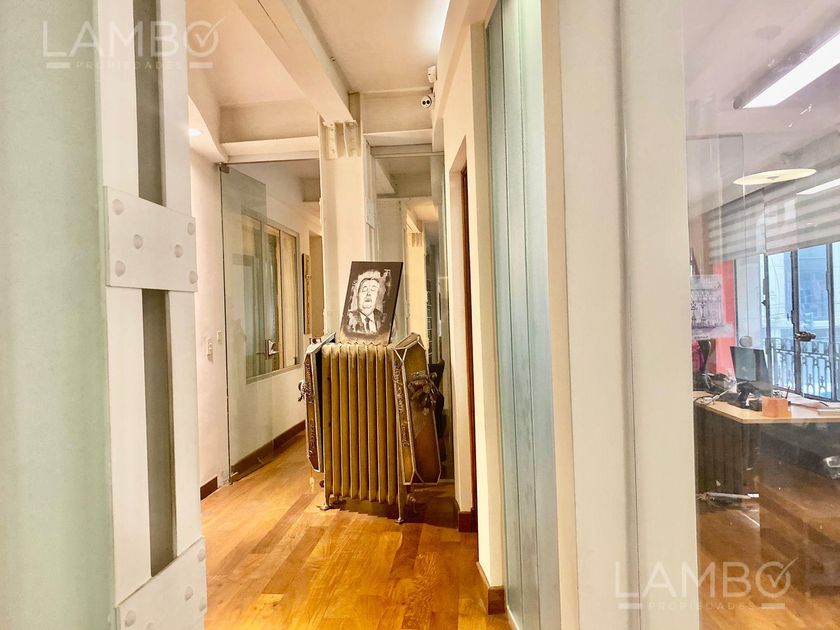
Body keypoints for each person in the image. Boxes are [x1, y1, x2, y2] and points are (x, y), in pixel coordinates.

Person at [344, 271, 386, 335]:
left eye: (373, 290)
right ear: (357, 295)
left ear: (377, 296)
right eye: (364, 290)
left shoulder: (383, 320)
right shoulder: (348, 319)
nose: (368, 294)